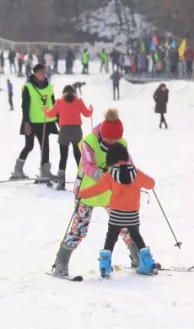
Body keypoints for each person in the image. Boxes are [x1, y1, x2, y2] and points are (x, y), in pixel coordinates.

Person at [51, 108, 137, 280]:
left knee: (124, 225)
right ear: (103, 135)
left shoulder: (122, 142)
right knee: (79, 228)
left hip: (111, 193)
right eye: (110, 139)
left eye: (116, 139)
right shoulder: (89, 142)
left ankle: (138, 256)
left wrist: (132, 177)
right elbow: (89, 167)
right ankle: (61, 260)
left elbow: (128, 162)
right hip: (88, 191)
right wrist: (106, 177)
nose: (113, 142)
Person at [76, 143, 157, 277]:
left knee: (111, 238)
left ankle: (105, 266)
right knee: (136, 236)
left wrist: (81, 193)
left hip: (116, 214)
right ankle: (147, 262)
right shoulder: (136, 173)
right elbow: (151, 183)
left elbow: (97, 189)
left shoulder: (110, 175)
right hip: (132, 214)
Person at [10, 64, 57, 182]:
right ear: (35, 73)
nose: (44, 74)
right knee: (29, 146)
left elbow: (54, 103)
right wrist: (26, 123)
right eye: (41, 72)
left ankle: (45, 172)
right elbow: (24, 106)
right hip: (31, 122)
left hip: (45, 121)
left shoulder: (49, 86)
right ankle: (17, 170)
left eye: (45, 72)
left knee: (45, 147)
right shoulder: (28, 87)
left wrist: (58, 118)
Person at [43, 84, 93, 190]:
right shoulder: (79, 101)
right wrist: (90, 108)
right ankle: (82, 181)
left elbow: (50, 114)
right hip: (76, 131)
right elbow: (87, 114)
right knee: (78, 157)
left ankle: (61, 182)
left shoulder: (60, 102)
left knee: (63, 157)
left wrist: (45, 109)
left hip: (64, 131)